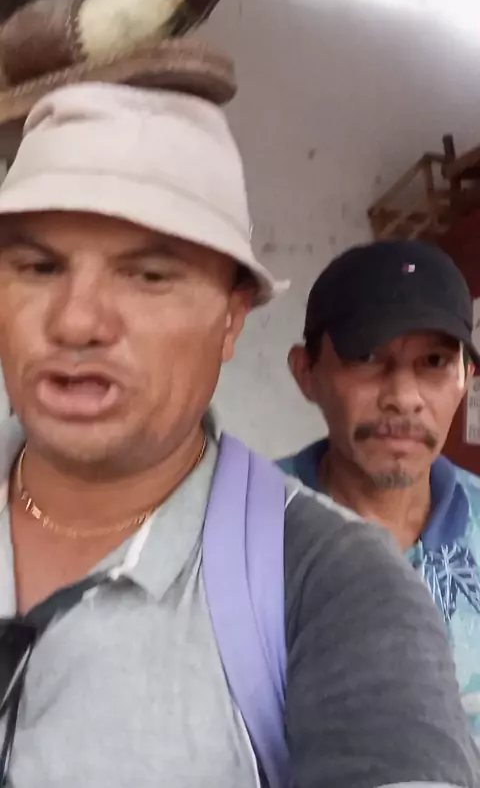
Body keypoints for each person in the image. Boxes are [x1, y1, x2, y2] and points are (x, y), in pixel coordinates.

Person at [0, 80, 477, 788]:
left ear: (232, 317)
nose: (76, 321)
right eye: (38, 267)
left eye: (148, 275)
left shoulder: (327, 581)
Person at [278, 239, 480, 743]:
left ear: (466, 378)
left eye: (433, 361)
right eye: (367, 357)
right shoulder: (241, 530)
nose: (403, 398)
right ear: (306, 374)